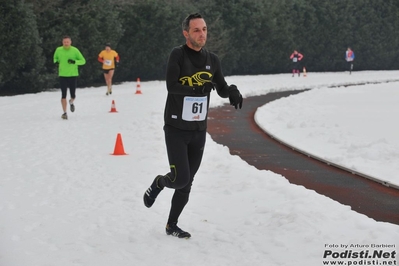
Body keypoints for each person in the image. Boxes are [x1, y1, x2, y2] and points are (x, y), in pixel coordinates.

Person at [143, 13, 243, 239]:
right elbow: (172, 85)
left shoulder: (212, 59)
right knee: (180, 179)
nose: (202, 34)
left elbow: (221, 87)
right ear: (186, 33)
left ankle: (171, 225)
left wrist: (232, 91)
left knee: (187, 184)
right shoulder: (178, 54)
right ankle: (159, 182)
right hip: (176, 129)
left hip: (198, 131)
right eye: (196, 30)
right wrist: (196, 90)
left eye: (204, 29)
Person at [53, 36, 86, 119]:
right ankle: (64, 112)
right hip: (62, 75)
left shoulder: (75, 50)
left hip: (72, 75)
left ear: (70, 42)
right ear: (62, 42)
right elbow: (55, 58)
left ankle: (71, 102)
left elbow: (83, 61)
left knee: (73, 95)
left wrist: (74, 62)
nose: (66, 44)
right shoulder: (58, 50)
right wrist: (56, 61)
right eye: (64, 42)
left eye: (67, 42)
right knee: (63, 95)